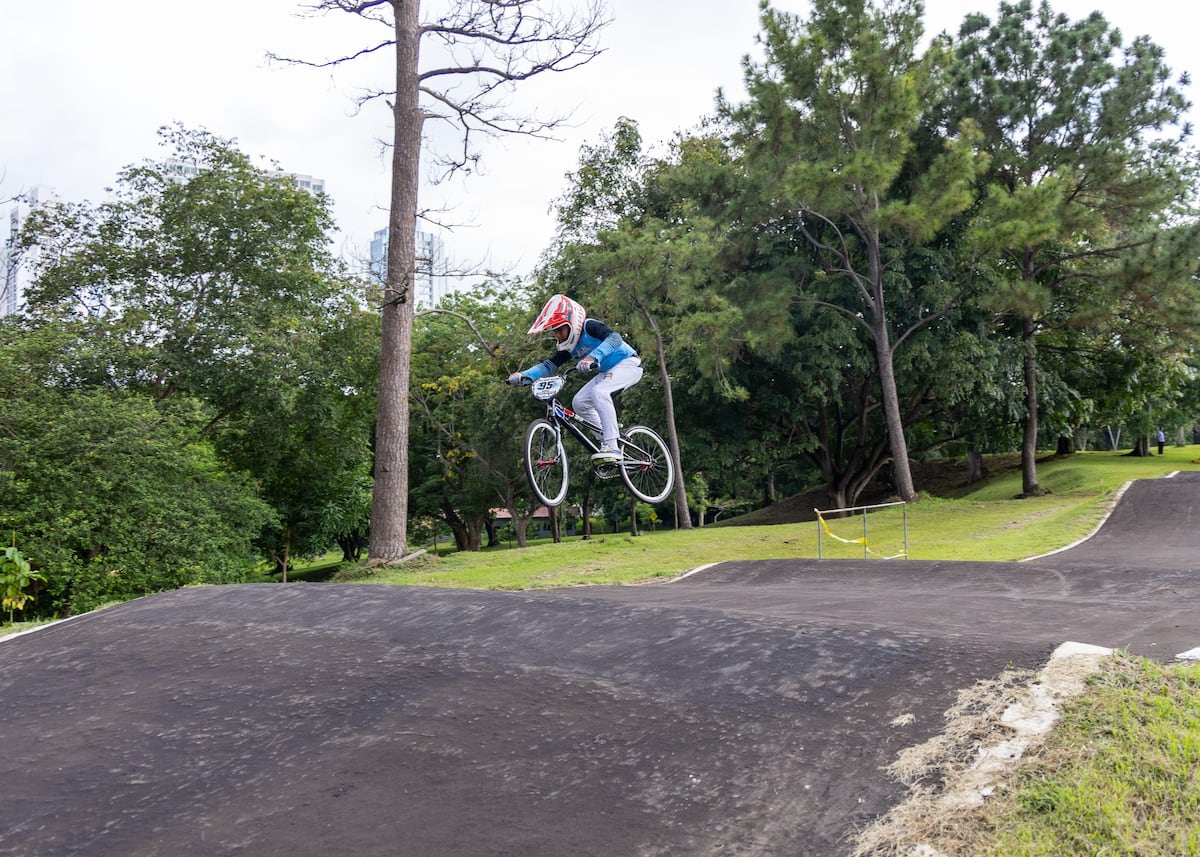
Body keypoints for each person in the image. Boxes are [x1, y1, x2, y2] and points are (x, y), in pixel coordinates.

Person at [507, 294, 643, 463]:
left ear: (572, 323)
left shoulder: (589, 326)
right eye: (555, 331)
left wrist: (593, 357)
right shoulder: (569, 347)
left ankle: (612, 445)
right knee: (579, 402)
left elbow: (615, 338)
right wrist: (524, 375)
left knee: (599, 392)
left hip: (628, 363)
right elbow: (548, 365)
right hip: (608, 371)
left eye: (560, 329)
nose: (558, 335)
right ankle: (606, 439)